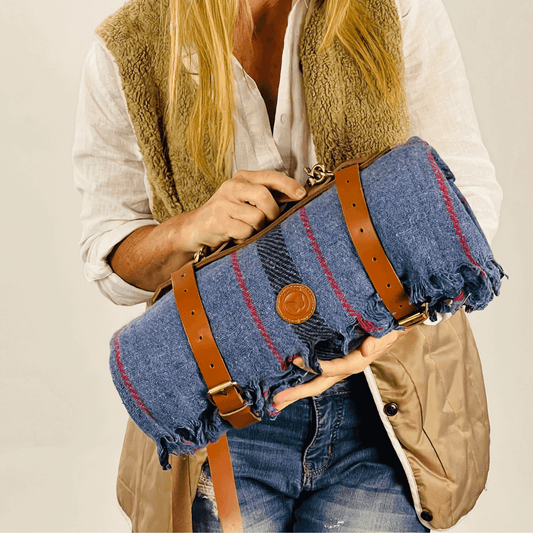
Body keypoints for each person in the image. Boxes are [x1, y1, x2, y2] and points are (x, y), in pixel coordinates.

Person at [73, 0, 502, 530]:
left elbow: (467, 202)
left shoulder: (396, 8)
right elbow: (110, 252)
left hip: (390, 403)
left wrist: (382, 327)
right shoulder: (130, 45)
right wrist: (189, 228)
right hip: (226, 409)